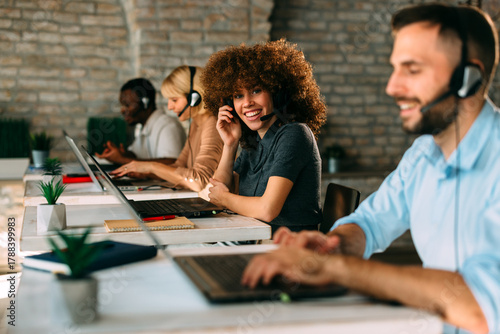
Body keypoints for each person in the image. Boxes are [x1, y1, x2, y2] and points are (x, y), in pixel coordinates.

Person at [242, 4, 500, 334]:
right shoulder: (423, 155)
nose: (392, 87)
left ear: (468, 77)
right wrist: (332, 246)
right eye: (395, 69)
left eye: (412, 69)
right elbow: (370, 222)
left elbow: (482, 307)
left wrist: (337, 269)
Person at [201, 39, 327, 233]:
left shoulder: (294, 134)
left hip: (288, 247)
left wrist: (225, 198)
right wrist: (230, 144)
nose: (247, 103)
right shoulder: (254, 142)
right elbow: (217, 189)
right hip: (257, 239)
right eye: (238, 96)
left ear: (276, 92)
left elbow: (267, 210)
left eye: (256, 91)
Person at [112, 66, 223, 192]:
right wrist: (145, 172)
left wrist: (151, 167)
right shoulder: (196, 123)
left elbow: (199, 181)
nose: (170, 106)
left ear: (195, 97)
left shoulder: (213, 124)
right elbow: (178, 166)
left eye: (174, 100)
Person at [96, 78, 186, 165]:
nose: (122, 110)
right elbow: (136, 155)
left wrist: (122, 159)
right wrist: (121, 155)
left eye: (127, 105)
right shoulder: (144, 127)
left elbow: (172, 163)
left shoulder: (168, 126)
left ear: (145, 103)